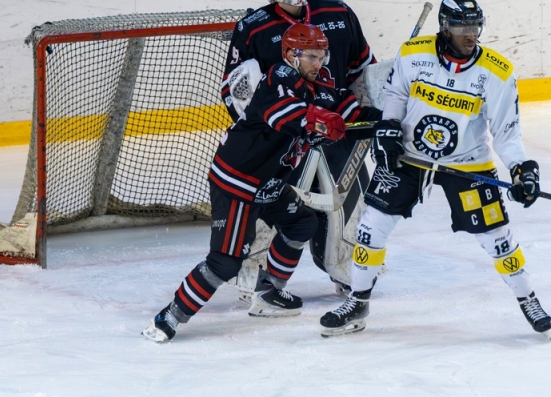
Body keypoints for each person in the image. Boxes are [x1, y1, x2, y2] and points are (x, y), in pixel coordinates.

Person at [319, 0, 551, 337]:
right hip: (410, 157)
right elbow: (397, 95)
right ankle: (357, 301)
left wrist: (522, 169)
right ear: (444, 28)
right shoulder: (413, 53)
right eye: (461, 28)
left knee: (498, 239)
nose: (470, 35)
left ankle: (528, 298)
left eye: (475, 27)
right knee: (371, 228)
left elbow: (506, 131)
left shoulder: (496, 72)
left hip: (467, 162)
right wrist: (389, 128)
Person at [143, 24, 380, 343]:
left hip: (268, 181)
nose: (318, 62)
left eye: (322, 55)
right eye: (311, 55)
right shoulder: (278, 78)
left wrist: (382, 123)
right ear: (290, 55)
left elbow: (342, 114)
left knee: (301, 224)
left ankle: (269, 293)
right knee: (225, 261)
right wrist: (319, 121)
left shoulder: (317, 81)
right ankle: (169, 316)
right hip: (239, 182)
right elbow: (283, 113)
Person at [221, 0, 376, 289]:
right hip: (282, 137)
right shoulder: (253, 28)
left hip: (336, 126)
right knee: (268, 197)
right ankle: (253, 268)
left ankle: (348, 265)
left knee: (350, 198)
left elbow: (361, 71)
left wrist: (367, 120)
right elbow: (235, 90)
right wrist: (259, 133)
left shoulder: (336, 12)